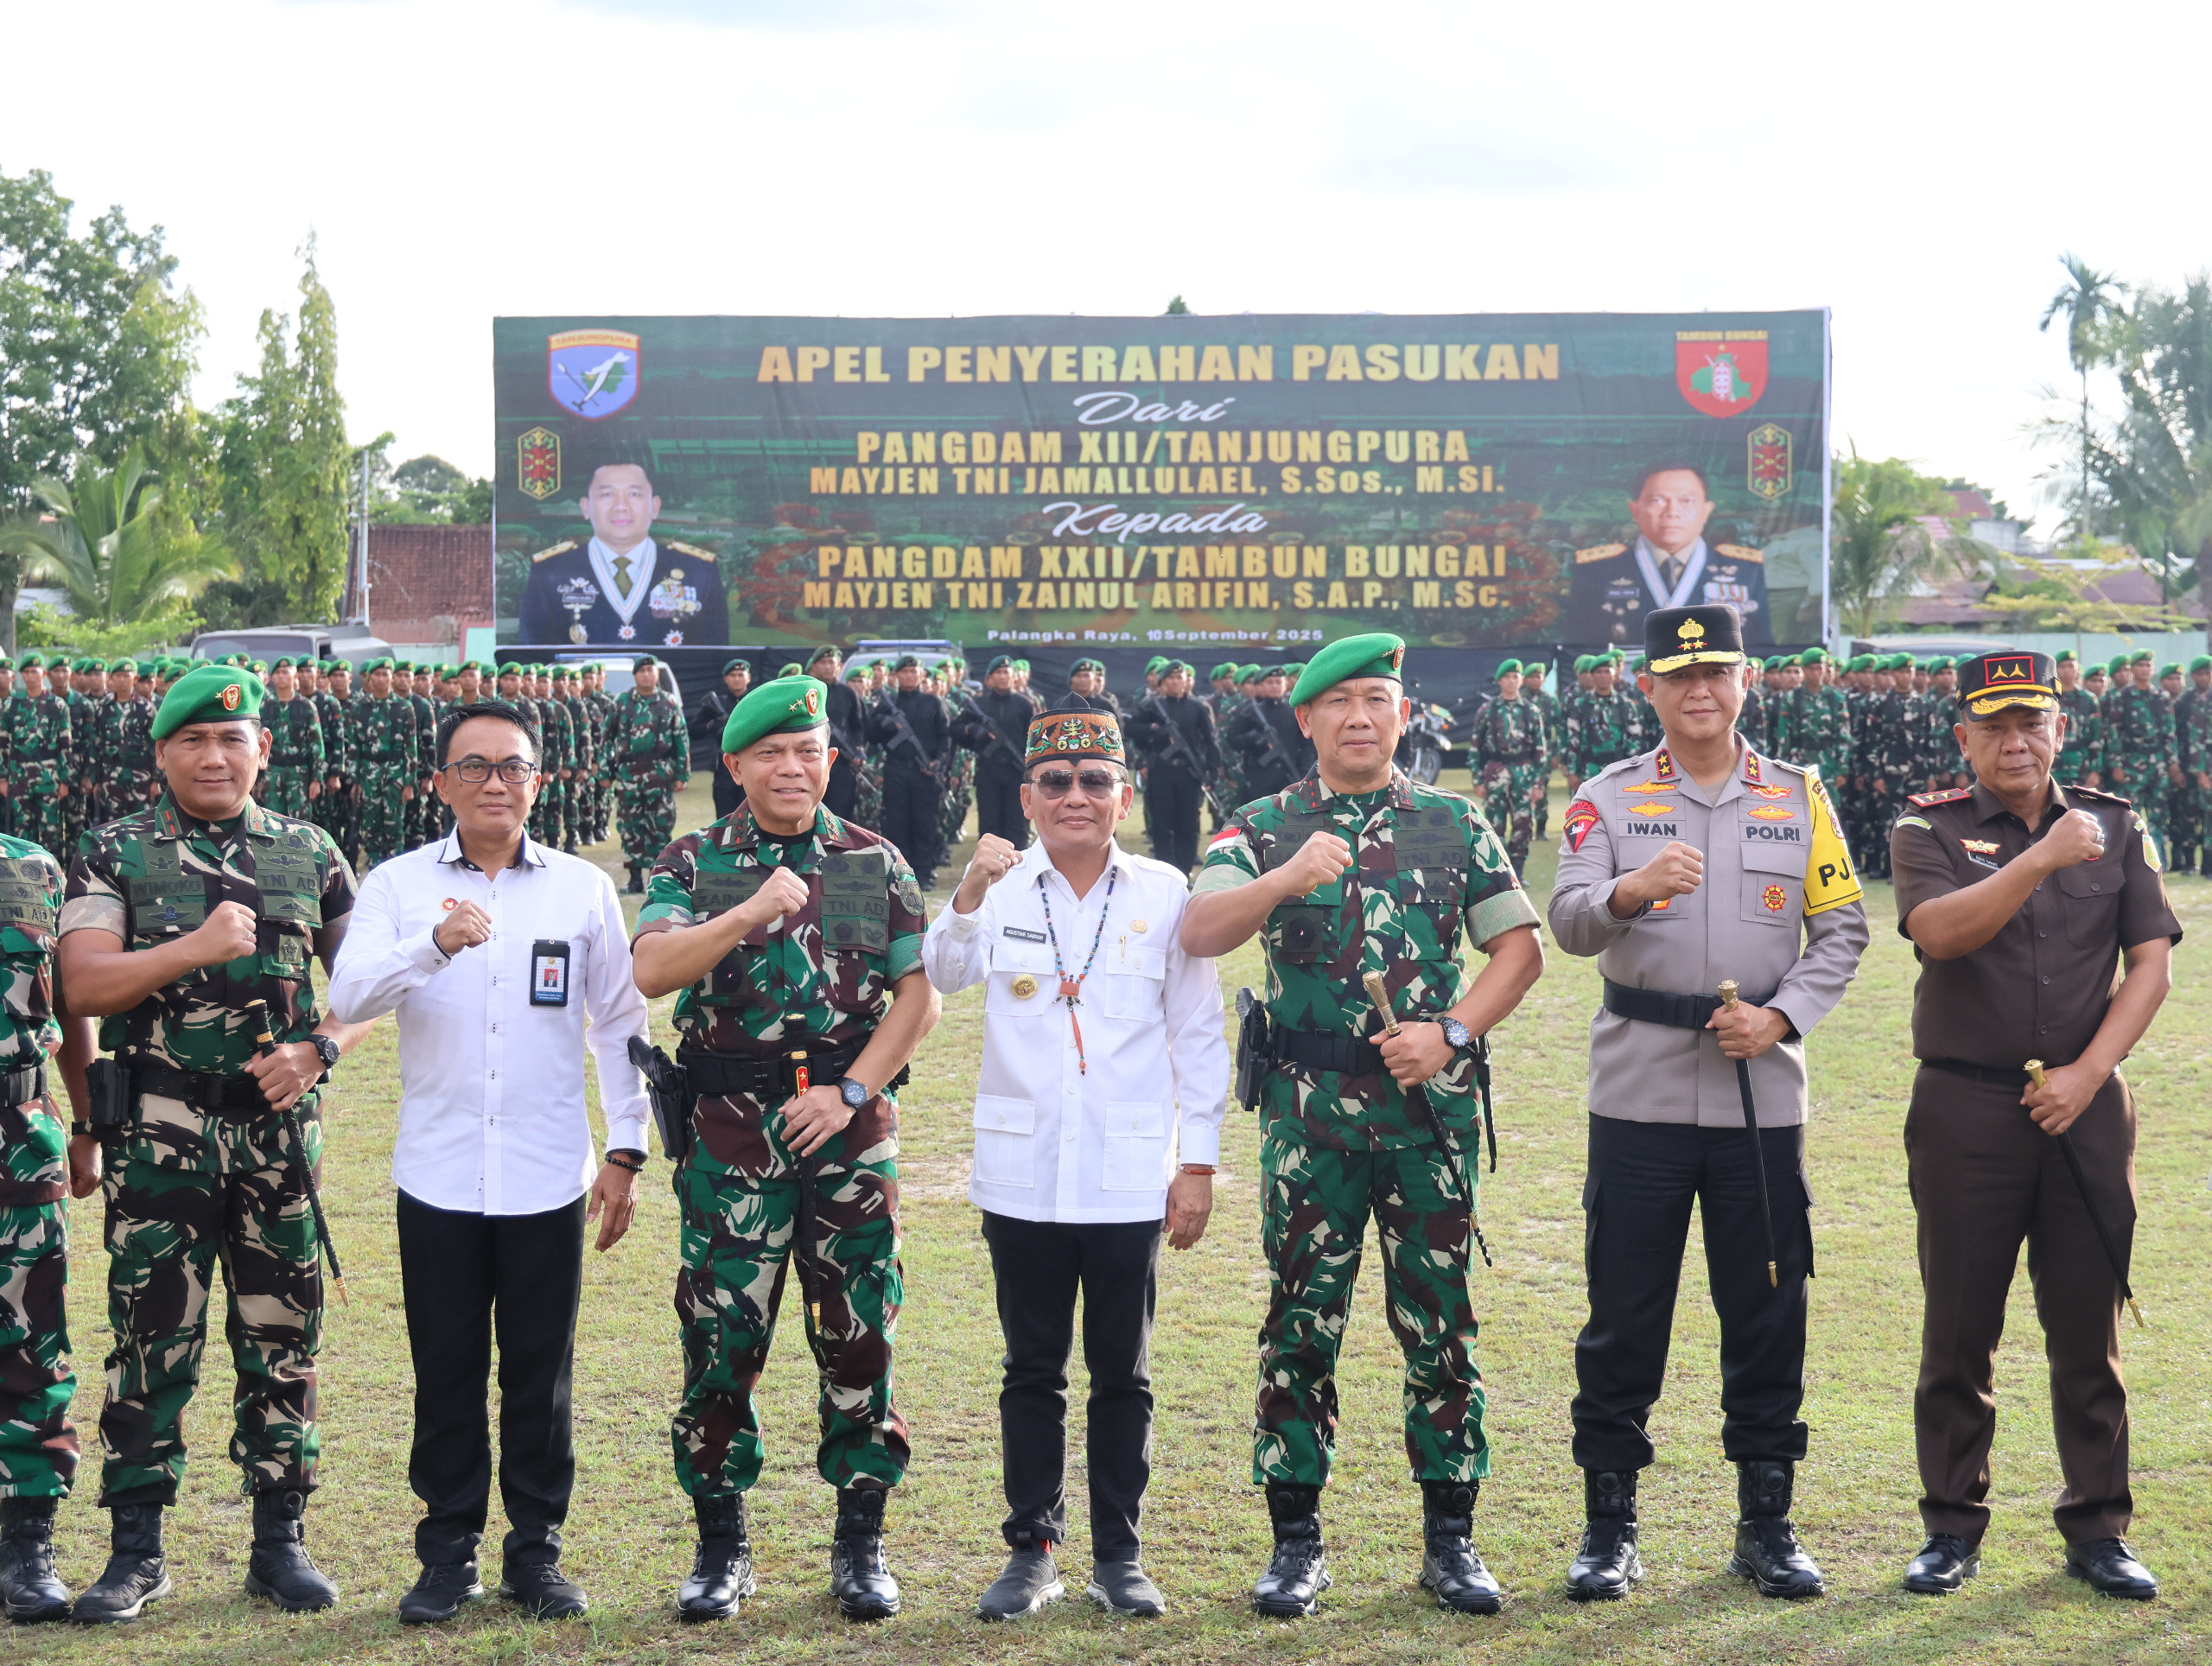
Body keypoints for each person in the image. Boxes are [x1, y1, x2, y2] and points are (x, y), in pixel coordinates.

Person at [1181, 633, 1544, 1618]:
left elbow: (1517, 949)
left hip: (1428, 1115)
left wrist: (1451, 1029)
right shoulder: (1257, 825)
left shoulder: (1450, 820)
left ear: (1403, 711)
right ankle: (1295, 1541)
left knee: (1441, 1321)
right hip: (1310, 1125)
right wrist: (1282, 877)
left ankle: (1451, 1538)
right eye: (1336, 701)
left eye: (1376, 698)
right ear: (1303, 719)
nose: (1357, 717)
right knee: (1301, 1323)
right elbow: (1201, 932)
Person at [1547, 604, 1869, 1602]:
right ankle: (1609, 1529)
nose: (1699, 690)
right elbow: (1568, 923)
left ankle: (1765, 1524)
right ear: (1646, 688)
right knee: (1625, 1314)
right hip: (1637, 1092)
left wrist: (1781, 1019)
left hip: (1759, 1098)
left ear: (1745, 681)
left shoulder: (1798, 796)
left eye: (1717, 672)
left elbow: (1843, 927)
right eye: (1678, 677)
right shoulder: (1606, 798)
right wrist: (1630, 892)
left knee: (1768, 1309)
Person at [57, 665, 371, 1620]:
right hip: (161, 1134)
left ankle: (280, 1539)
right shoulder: (115, 850)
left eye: (233, 738)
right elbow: (82, 985)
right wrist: (192, 946)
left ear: (262, 750)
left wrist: (320, 1048)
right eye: (193, 739)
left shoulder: (310, 851)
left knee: (284, 1336)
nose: (214, 754)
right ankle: (136, 1549)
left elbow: (363, 988)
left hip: (278, 1135)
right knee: (152, 1335)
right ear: (161, 753)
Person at [327, 701, 649, 1625]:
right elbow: (347, 989)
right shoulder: (395, 883)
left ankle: (535, 1551)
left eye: (511, 766)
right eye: (473, 765)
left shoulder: (582, 889)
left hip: (549, 1172)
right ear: (441, 783)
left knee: (542, 1369)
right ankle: (447, 1550)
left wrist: (625, 1147)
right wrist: (433, 943)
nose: (494, 782)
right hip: (437, 1170)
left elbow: (620, 1026)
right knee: (447, 1364)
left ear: (538, 781)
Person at [630, 677, 939, 1622]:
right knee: (722, 1329)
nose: (792, 767)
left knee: (859, 1328)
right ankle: (721, 1544)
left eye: (808, 750)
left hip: (847, 1125)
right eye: (771, 752)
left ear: (830, 760)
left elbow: (917, 998)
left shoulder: (873, 857)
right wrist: (746, 909)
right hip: (730, 1129)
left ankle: (860, 1539)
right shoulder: (694, 857)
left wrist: (852, 1093)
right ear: (735, 766)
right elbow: (651, 967)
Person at [923, 697, 1227, 1622]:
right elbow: (940, 970)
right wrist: (968, 892)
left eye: (1095, 780)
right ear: (1026, 793)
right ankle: (1031, 1550)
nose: (1076, 796)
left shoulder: (1166, 890)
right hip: (1022, 1175)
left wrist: (1199, 1163)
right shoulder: (1001, 884)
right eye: (1055, 781)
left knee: (1122, 1373)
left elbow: (1199, 1032)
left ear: (1123, 792)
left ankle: (1119, 1555)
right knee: (1030, 1370)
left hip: (1127, 1174)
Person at [1887, 649, 2177, 1601]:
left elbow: (2150, 966)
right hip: (1965, 1104)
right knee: (1959, 1325)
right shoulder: (1924, 828)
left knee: (2086, 1326)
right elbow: (1939, 932)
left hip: (2087, 1107)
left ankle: (2098, 1525)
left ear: (2061, 728)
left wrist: (2088, 1074)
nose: (2016, 743)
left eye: (2032, 724)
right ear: (1963, 737)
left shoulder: (2118, 825)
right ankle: (1950, 1526)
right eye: (1995, 727)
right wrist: (2041, 856)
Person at [0, 832, 96, 1624]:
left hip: (18, 1139)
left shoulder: (33, 870)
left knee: (30, 1340)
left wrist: (91, 1122)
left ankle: (26, 1539)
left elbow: (67, 1001)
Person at [518, 461, 729, 648]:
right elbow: (533, 652)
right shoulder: (551, 569)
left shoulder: (698, 569)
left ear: (655, 507)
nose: (621, 506)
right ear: (586, 507)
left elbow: (716, 652)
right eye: (607, 494)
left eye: (634, 494)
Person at [1568, 463, 1773, 650]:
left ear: (1706, 510)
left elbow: (1760, 649)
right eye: (1657, 500)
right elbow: (1580, 649)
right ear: (1635, 510)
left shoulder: (1745, 570)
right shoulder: (1596, 570)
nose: (1672, 511)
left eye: (1687, 501)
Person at [603, 657, 690, 894]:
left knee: (660, 827)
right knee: (630, 826)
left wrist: (682, 773)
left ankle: (660, 877)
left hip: (660, 774)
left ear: (656, 674)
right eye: (641, 671)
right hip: (629, 775)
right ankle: (634, 879)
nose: (646, 674)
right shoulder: (621, 703)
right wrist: (605, 771)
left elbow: (680, 739)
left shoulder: (669, 702)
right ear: (635, 675)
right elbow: (606, 738)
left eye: (650, 670)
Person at [1127, 661, 1221, 875]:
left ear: (1188, 681)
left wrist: (1212, 771)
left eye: (1181, 678)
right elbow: (1131, 728)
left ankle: (1184, 870)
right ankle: (1165, 871)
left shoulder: (1198, 707)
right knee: (1162, 824)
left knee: (1188, 824)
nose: (1177, 682)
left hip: (1189, 773)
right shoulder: (1152, 706)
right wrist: (1155, 730)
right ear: (1162, 683)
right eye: (1171, 678)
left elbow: (1210, 740)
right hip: (1161, 771)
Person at [868, 655, 953, 889]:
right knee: (896, 822)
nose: (909, 676)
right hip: (896, 770)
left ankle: (924, 872)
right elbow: (870, 734)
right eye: (904, 672)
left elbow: (945, 736)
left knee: (925, 823)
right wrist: (883, 723)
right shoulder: (887, 703)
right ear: (896, 676)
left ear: (922, 675)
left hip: (925, 774)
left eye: (914, 671)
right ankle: (899, 871)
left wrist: (938, 762)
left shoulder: (933, 703)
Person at [1466, 659, 1548, 878]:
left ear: (1521, 681)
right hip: (1496, 771)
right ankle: (1498, 872)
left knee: (1523, 822)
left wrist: (1539, 784)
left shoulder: (1531, 710)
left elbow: (1540, 750)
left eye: (1516, 677)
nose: (1512, 681)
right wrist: (1477, 779)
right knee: (1494, 823)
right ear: (1500, 681)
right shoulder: (1487, 710)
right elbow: (1475, 746)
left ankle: (1518, 871)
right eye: (1508, 677)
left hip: (1524, 771)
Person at [953, 656, 1040, 851]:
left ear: (1014, 677)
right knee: (989, 824)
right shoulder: (979, 704)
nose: (1003, 677)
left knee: (1017, 823)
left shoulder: (1024, 704)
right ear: (989, 678)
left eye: (1006, 673)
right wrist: (973, 730)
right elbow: (956, 729)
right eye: (998, 673)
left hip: (1016, 772)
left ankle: (1018, 866)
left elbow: (1035, 737)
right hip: (988, 771)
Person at [349, 658, 420, 868]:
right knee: (370, 826)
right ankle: (374, 869)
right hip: (368, 774)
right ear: (370, 678)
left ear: (392, 677)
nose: (381, 678)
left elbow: (411, 747)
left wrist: (409, 783)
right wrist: (355, 781)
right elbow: (353, 747)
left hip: (395, 775)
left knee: (394, 826)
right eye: (377, 674)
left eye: (385, 674)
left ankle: (395, 868)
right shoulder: (359, 706)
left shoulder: (404, 707)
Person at [1223, 667, 1313, 803]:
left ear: (1285, 684)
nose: (1275, 686)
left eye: (1278, 682)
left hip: (1289, 777)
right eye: (1270, 682)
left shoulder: (1294, 711)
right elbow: (1232, 740)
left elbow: (1308, 745)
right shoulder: (1250, 711)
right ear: (1260, 686)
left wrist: (1304, 773)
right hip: (1259, 780)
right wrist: (1254, 738)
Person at [258, 659, 327, 820]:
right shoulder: (264, 707)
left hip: (299, 774)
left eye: (285, 672)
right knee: (271, 822)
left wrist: (316, 779)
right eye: (277, 673)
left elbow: (316, 744)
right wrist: (257, 779)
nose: (281, 676)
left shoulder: (307, 706)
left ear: (294, 675)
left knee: (300, 824)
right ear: (272, 677)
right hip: (272, 773)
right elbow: (256, 744)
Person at [696, 658, 754, 822]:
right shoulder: (717, 704)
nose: (737, 679)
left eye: (740, 675)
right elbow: (694, 730)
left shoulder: (756, 702)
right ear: (726, 679)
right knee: (726, 818)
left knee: (754, 815)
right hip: (724, 768)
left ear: (748, 677)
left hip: (752, 765)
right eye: (733, 675)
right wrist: (712, 726)